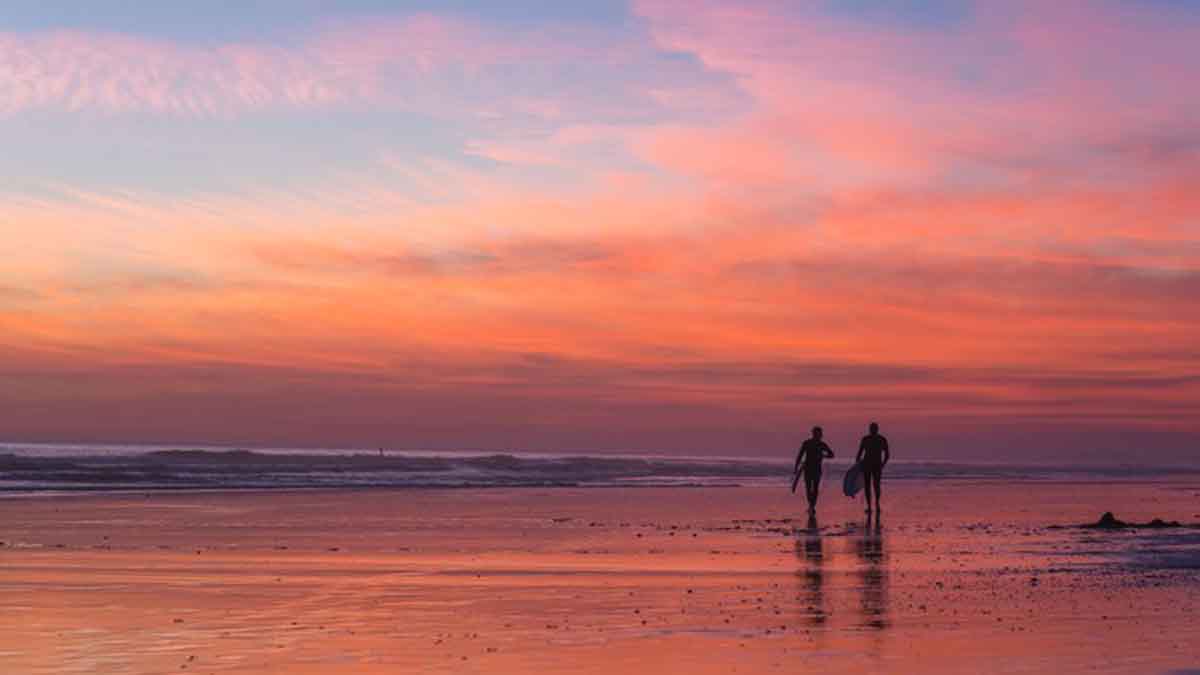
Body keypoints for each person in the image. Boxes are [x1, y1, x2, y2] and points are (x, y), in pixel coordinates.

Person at [793, 426, 834, 513]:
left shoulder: (822, 444)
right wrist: (796, 467)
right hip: (807, 468)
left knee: (815, 488)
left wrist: (824, 456)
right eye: (817, 433)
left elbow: (832, 455)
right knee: (808, 488)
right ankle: (811, 505)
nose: (819, 435)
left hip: (817, 469)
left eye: (820, 434)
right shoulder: (807, 443)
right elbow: (800, 455)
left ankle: (812, 506)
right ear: (813, 433)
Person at [856, 422, 890, 514]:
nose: (873, 430)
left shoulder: (881, 439)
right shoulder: (867, 439)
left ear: (876, 429)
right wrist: (858, 465)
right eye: (872, 429)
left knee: (875, 485)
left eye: (874, 429)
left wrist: (883, 464)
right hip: (868, 465)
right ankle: (871, 506)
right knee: (870, 485)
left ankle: (876, 504)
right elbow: (859, 454)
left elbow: (887, 455)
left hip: (876, 465)